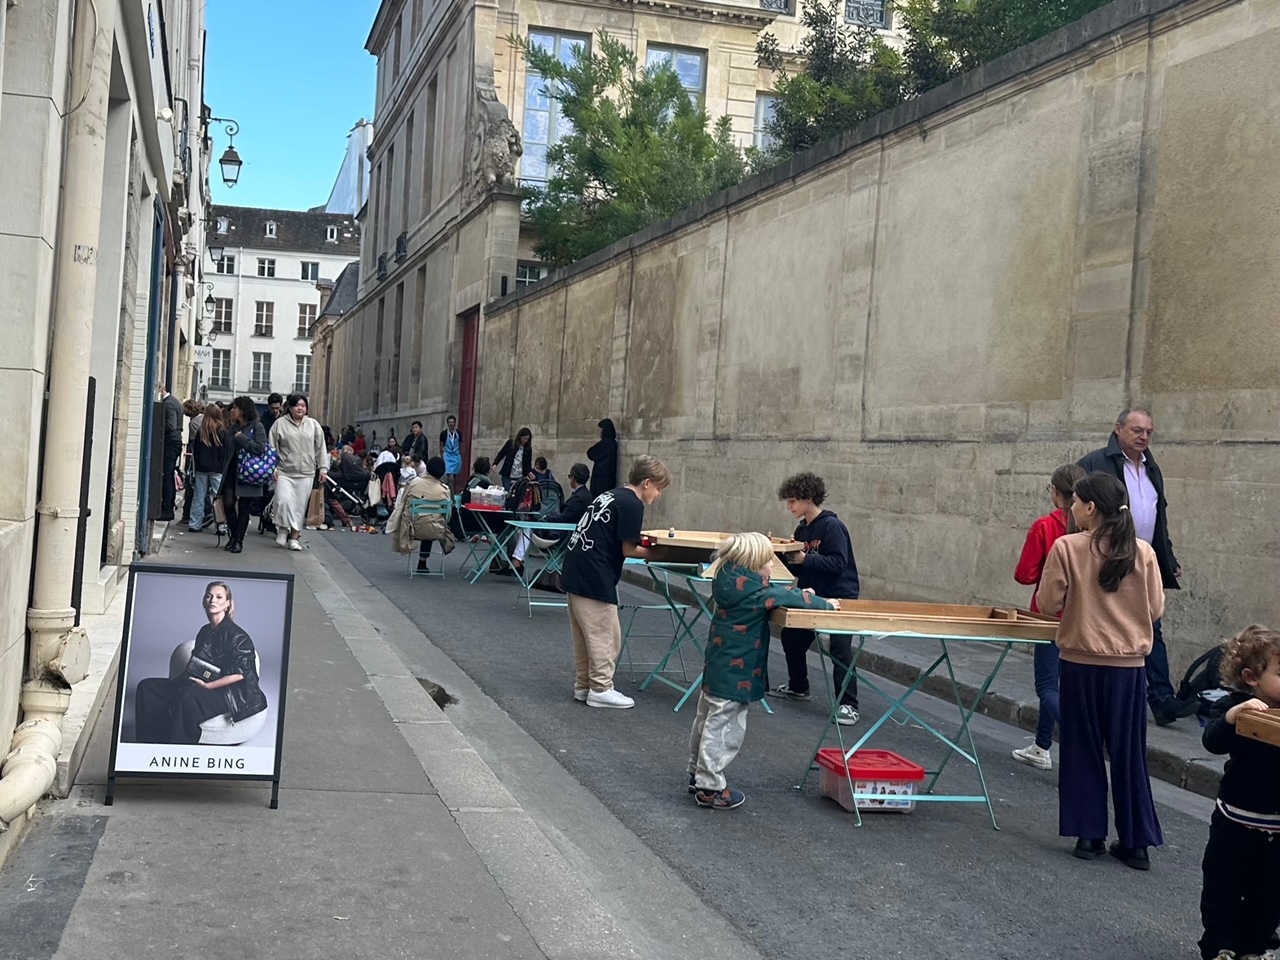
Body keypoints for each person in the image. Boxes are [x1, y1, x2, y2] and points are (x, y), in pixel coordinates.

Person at [1038, 472, 1165, 869]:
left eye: (1075, 502)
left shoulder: (1067, 548)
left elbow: (1047, 602)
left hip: (1081, 660)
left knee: (1083, 747)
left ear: (1090, 507)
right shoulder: (1143, 552)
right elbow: (1156, 609)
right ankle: (1136, 840)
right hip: (1129, 667)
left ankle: (1089, 834)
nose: (1071, 509)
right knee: (1128, 752)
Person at [688, 532, 838, 810]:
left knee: (706, 719)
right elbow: (782, 595)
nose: (772, 565)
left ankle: (696, 773)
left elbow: (776, 593)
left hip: (717, 668)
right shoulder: (756, 594)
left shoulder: (728, 583)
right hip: (736, 675)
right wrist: (824, 603)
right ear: (752, 563)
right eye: (768, 561)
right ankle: (709, 787)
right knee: (724, 729)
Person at [1078, 408, 1194, 727]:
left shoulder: (1152, 469)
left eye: (1148, 432)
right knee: (1108, 627)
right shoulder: (1095, 463)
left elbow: (1159, 517)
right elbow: (1076, 515)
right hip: (1107, 560)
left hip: (1144, 559)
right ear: (1118, 429)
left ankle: (1161, 699)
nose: (1144, 437)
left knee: (1152, 625)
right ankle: (1101, 698)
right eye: (1137, 430)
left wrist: (1168, 557)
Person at [561, 455, 672, 709]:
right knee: (605, 634)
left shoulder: (611, 495)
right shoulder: (633, 504)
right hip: (595, 574)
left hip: (575, 566)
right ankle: (601, 688)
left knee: (584, 635)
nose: (658, 494)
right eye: (659, 488)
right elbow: (628, 549)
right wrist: (661, 554)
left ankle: (584, 685)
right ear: (647, 483)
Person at [1198, 625, 1280, 960]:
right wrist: (1233, 718)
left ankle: (1253, 948)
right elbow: (1213, 741)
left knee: (1270, 896)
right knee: (1222, 889)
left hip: (1277, 829)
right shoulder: (1239, 707)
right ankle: (1220, 945)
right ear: (1251, 678)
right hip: (1235, 821)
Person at [768, 472, 862, 726]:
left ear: (808, 498)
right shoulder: (802, 529)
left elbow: (839, 563)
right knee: (792, 637)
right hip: (811, 594)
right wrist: (785, 556)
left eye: (792, 501)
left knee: (840, 649)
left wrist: (806, 558)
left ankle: (848, 705)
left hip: (840, 594)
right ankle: (799, 687)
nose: (789, 507)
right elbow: (799, 570)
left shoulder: (832, 526)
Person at [1010, 462, 1087, 770]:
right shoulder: (1093, 529)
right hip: (1084, 617)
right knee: (1063, 684)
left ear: (1056, 493)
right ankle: (1042, 745)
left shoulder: (1045, 526)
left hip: (1048, 616)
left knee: (1047, 685)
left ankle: (1080, 739)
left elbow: (1024, 574)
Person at [134, 580, 267, 744]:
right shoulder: (205, 631)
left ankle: (178, 749)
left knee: (187, 698)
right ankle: (147, 743)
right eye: (209, 596)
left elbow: (241, 674)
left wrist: (208, 686)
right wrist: (185, 680)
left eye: (219, 597)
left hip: (231, 692)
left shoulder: (237, 636)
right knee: (147, 687)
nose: (213, 600)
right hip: (206, 682)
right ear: (204, 601)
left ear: (227, 604)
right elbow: (198, 665)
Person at [268, 394, 328, 552]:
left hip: (306, 472)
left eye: (303, 405)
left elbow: (321, 448)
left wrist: (323, 468)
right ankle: (282, 529)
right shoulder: (279, 424)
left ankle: (295, 537)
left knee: (299, 507)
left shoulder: (313, 425)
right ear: (290, 407)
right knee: (282, 501)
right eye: (296, 405)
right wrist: (272, 467)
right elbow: (272, 447)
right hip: (284, 471)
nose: (300, 408)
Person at [511, 462, 592, 570]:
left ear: (573, 478)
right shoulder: (584, 495)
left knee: (527, 527)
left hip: (561, 532)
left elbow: (564, 518)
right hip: (567, 529)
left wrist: (546, 518)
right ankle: (518, 560)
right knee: (528, 526)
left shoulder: (579, 497)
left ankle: (517, 560)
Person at [220, 396, 270, 554]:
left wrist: (242, 439)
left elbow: (260, 448)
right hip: (231, 471)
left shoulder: (257, 426)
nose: (232, 411)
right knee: (228, 503)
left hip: (248, 472)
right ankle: (234, 536)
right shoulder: (233, 427)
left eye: (234, 408)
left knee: (244, 507)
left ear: (242, 410)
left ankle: (238, 541)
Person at [391, 456, 456, 571]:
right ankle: (423, 561)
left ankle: (417, 559)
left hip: (413, 528)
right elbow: (447, 516)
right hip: (436, 530)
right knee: (431, 520)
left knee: (423, 518)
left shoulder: (415, 483)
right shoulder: (444, 490)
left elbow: (405, 504)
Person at [188, 405, 228, 534]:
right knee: (218, 498)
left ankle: (194, 523)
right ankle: (220, 525)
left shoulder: (201, 431)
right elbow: (225, 452)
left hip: (202, 467)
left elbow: (196, 451)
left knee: (199, 496)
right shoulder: (222, 431)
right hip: (217, 469)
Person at [157, 386, 184, 520]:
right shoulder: (175, 402)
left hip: (170, 442)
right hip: (176, 441)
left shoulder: (168, 404)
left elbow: (171, 425)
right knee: (169, 474)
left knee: (167, 475)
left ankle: (166, 509)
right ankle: (169, 506)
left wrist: (157, 423)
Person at [587, 418, 618, 498]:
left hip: (601, 481)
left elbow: (591, 453)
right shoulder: (612, 443)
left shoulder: (606, 443)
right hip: (607, 480)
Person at [440, 414, 463, 489]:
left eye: (452, 422)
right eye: (449, 422)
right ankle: (452, 497)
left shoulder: (459, 433)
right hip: (447, 456)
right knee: (450, 478)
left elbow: (460, 445)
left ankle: (450, 491)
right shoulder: (443, 434)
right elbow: (441, 446)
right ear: (447, 423)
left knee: (454, 478)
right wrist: (442, 456)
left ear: (455, 423)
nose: (451, 424)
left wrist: (460, 455)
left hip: (456, 456)